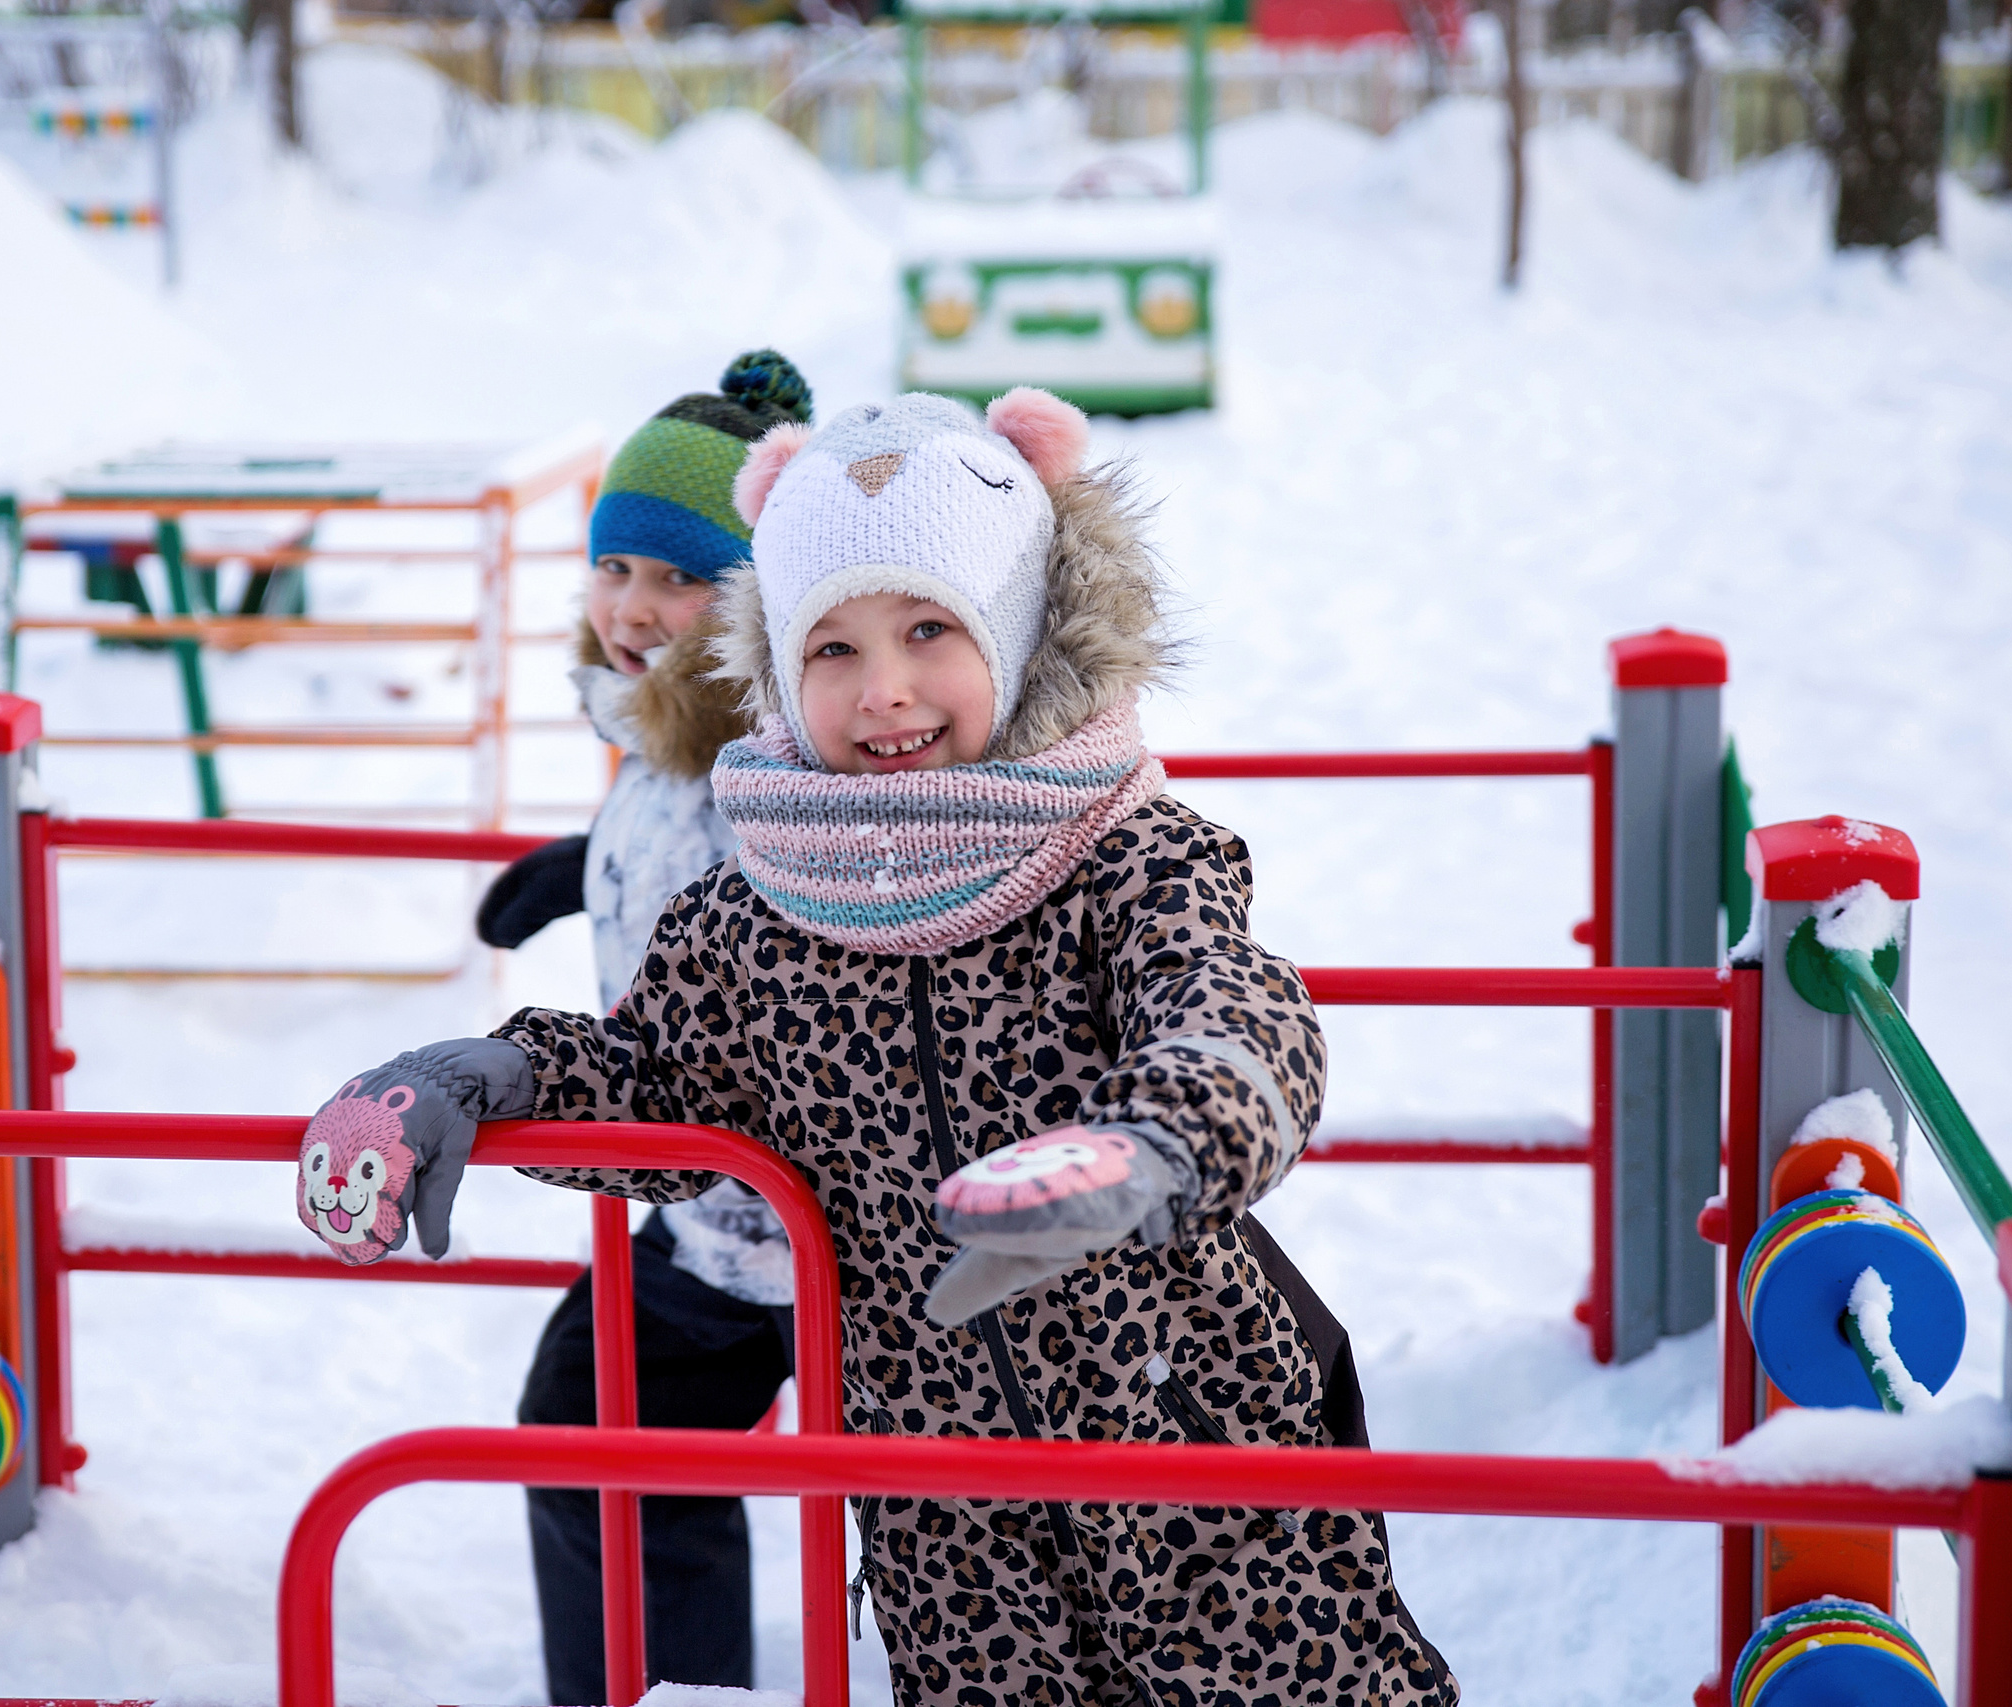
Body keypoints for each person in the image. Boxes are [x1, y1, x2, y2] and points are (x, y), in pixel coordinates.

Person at [296, 387, 1457, 1707]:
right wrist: (487, 1079)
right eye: (831, 649)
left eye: (928, 628)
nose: (884, 689)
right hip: (941, 1507)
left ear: (1020, 635)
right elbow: (670, 1081)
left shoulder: (1123, 854)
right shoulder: (757, 909)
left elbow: (1234, 1006)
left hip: (1185, 1412)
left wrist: (1151, 1146)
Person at [469, 350, 812, 1705]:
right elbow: (675, 861)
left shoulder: (768, 763)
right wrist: (584, 863)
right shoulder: (674, 737)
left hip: (780, 1224)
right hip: (716, 1210)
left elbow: (752, 940)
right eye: (616, 568)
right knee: (602, 1447)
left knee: (591, 1441)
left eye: (680, 578)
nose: (634, 607)